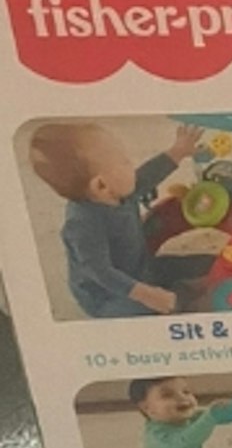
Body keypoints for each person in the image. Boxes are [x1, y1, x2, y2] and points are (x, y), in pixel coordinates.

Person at [29, 121, 209, 317]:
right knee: (153, 310)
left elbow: (146, 176)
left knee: (200, 265)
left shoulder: (118, 191)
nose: (131, 165)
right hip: (107, 295)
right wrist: (146, 294)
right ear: (101, 185)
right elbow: (100, 272)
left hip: (140, 267)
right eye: (124, 162)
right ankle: (181, 295)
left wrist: (177, 152)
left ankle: (186, 287)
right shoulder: (83, 224)